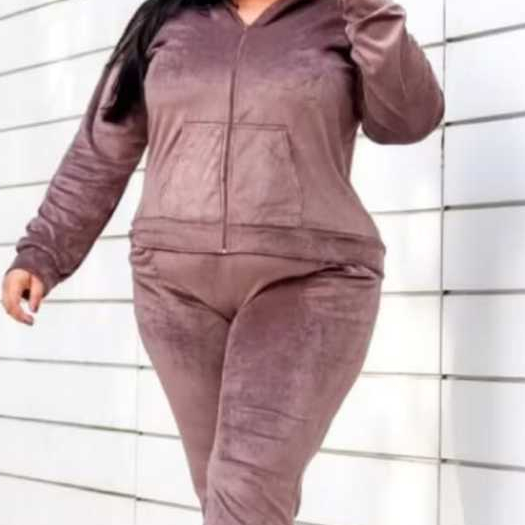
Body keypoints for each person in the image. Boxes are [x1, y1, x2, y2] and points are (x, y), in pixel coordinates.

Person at [2, 0, 444, 522]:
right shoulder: (164, 20)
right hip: (175, 293)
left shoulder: (343, 15)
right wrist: (44, 250)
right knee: (224, 495)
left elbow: (410, 119)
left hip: (310, 281)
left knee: (244, 487)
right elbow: (101, 148)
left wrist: (370, 11)